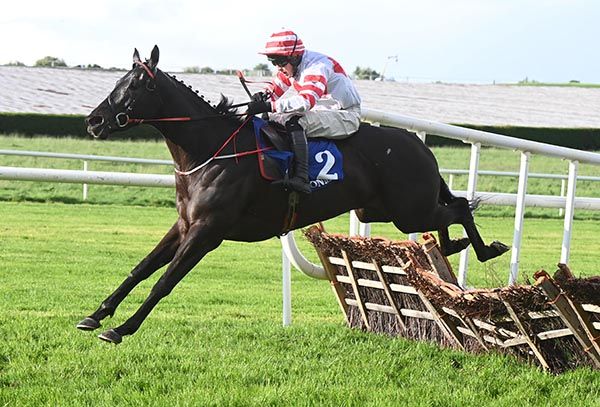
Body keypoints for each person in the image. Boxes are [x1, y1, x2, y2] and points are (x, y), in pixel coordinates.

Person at [246, 30, 362, 194]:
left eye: (279, 61)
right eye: (273, 61)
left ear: (294, 57)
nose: (277, 67)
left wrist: (268, 105)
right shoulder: (293, 66)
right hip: (326, 111)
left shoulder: (317, 67)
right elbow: (277, 87)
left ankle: (301, 177)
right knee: (273, 118)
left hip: (347, 117)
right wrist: (263, 96)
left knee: (295, 121)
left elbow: (305, 101)